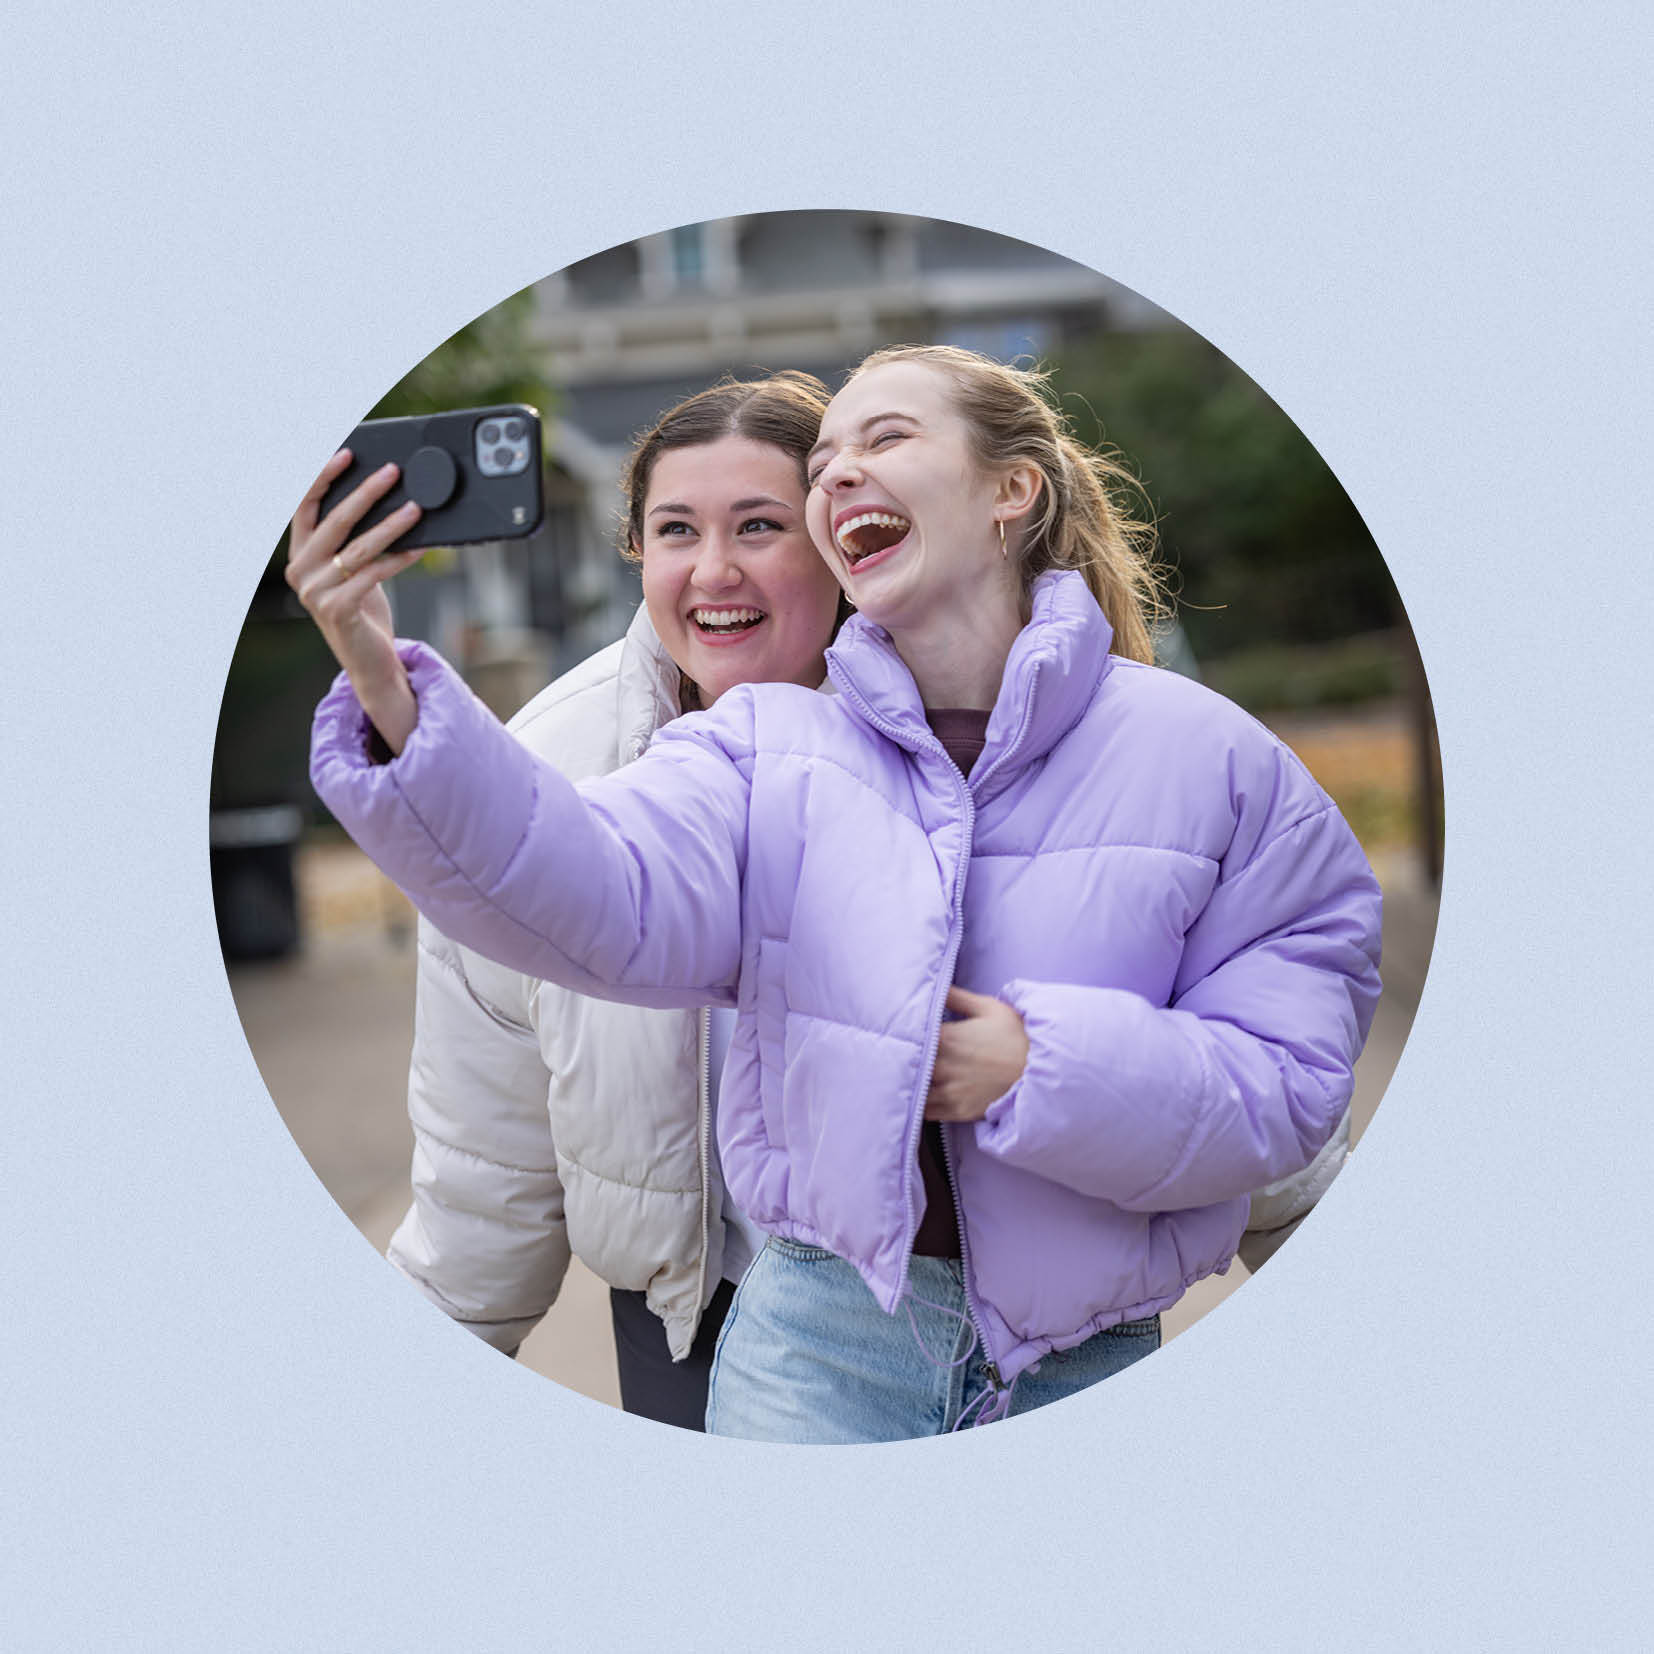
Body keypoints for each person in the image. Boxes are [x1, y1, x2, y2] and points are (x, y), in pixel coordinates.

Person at [299, 344, 1383, 1443]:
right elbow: (583, 886)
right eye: (824, 462)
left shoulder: (1209, 759)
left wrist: (1036, 1066)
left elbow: (1286, 1091)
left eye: (883, 441)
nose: (838, 479)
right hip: (806, 1344)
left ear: (1013, 490)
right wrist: (389, 691)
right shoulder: (753, 749)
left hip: (1089, 1354)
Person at [287, 373, 844, 1430]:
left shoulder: (967, 738)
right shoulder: (544, 766)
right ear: (635, 549)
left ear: (836, 541)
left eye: (760, 526)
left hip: (939, 1319)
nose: (714, 570)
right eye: (676, 529)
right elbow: (482, 1166)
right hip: (688, 1325)